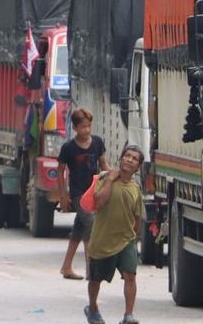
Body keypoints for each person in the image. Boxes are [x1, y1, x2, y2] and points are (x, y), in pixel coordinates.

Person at [85, 146, 145, 324]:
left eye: (134, 158)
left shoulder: (135, 188)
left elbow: (137, 216)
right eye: (127, 156)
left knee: (130, 276)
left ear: (138, 167)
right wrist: (111, 179)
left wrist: (136, 237)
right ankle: (93, 308)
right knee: (95, 279)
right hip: (102, 240)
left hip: (125, 240)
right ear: (121, 159)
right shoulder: (105, 179)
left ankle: (128, 315)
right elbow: (100, 201)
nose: (129, 160)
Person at [58, 108, 108, 280]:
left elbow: (103, 165)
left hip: (94, 190)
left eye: (88, 126)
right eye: (82, 127)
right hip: (78, 194)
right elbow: (60, 171)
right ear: (75, 128)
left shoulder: (97, 143)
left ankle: (66, 267)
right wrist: (63, 195)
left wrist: (111, 182)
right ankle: (90, 270)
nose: (86, 130)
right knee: (91, 227)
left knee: (79, 229)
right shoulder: (68, 148)